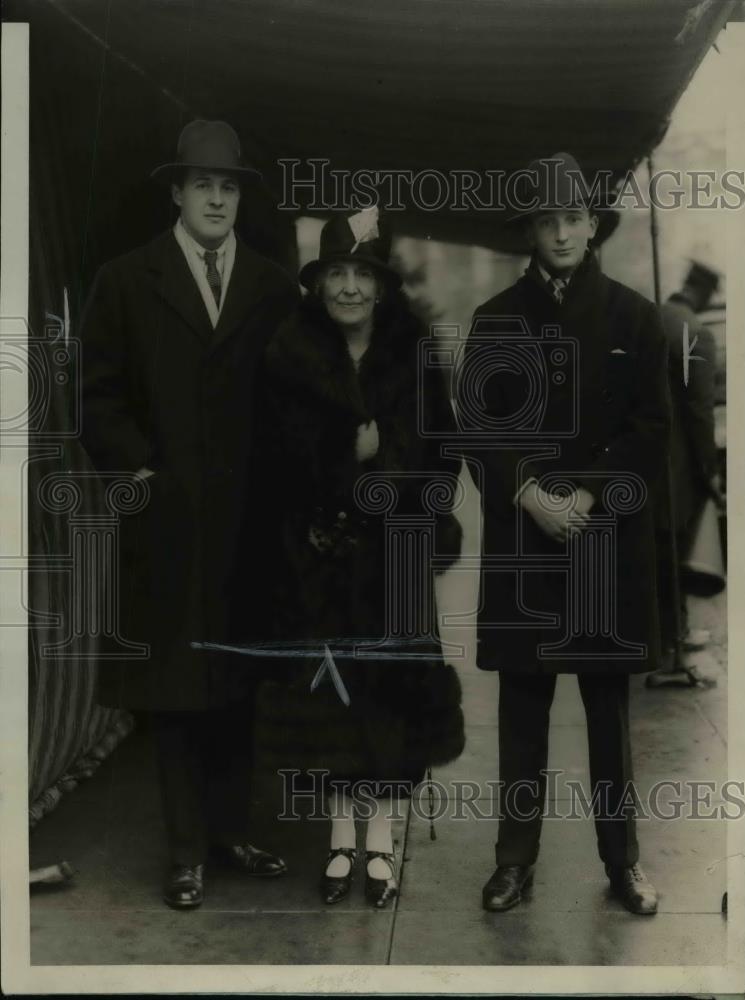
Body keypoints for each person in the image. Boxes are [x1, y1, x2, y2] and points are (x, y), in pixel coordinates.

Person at [80, 120, 298, 910]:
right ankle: (182, 852)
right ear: (175, 191)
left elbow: (291, 399)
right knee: (174, 689)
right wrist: (144, 472)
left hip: (247, 522)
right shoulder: (125, 280)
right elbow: (96, 397)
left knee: (237, 680)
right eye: (202, 183)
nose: (216, 197)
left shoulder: (274, 286)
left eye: (229, 185)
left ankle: (229, 834)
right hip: (166, 522)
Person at [458, 152, 670, 915]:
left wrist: (581, 492)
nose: (559, 232)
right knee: (523, 705)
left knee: (609, 710)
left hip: (604, 540)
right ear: (531, 233)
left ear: (591, 225)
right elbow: (479, 428)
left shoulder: (634, 318)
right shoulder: (497, 321)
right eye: (545, 221)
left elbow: (651, 433)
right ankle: (514, 861)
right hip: (526, 542)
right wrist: (528, 492)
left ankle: (623, 863)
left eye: (571, 218)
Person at [251, 207, 465, 908]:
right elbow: (274, 461)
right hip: (321, 554)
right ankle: (341, 838)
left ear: (381, 287)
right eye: (335, 274)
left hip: (396, 553)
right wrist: (347, 457)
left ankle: (383, 841)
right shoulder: (288, 354)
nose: (347, 288)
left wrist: (393, 478)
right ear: (318, 285)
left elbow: (443, 455)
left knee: (393, 696)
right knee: (333, 701)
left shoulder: (416, 354)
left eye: (361, 276)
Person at [653, 260, 721, 674]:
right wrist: (709, 470)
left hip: (636, 461)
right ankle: (674, 636)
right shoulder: (696, 332)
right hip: (676, 464)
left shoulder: (650, 315)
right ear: (707, 294)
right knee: (678, 548)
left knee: (657, 551)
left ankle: (664, 632)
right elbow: (700, 411)